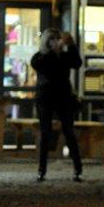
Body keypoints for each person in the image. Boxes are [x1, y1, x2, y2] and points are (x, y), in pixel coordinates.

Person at [30, 28, 83, 182]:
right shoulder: (41, 57)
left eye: (58, 38)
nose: (56, 41)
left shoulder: (64, 57)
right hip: (45, 98)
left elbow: (77, 63)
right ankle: (41, 170)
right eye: (52, 39)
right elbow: (40, 64)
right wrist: (54, 51)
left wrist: (71, 45)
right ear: (47, 42)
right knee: (45, 133)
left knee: (68, 131)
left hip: (63, 98)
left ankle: (77, 169)